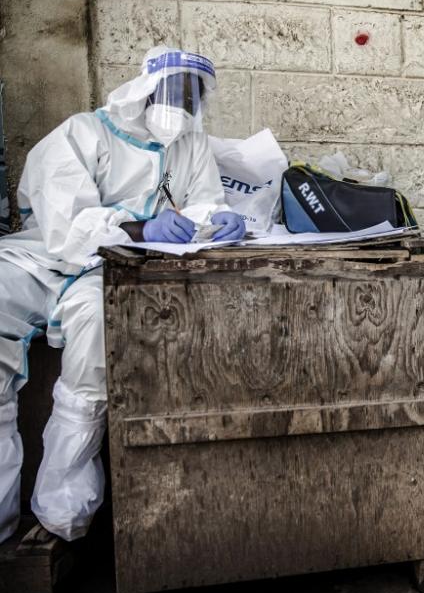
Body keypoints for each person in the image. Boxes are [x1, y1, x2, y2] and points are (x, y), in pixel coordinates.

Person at [0, 45, 245, 549]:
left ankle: (61, 510)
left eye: (194, 95)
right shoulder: (83, 133)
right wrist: (137, 225)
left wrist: (219, 219)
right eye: (175, 89)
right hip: (40, 261)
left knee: (96, 340)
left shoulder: (190, 144)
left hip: (104, 274)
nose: (184, 103)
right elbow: (64, 225)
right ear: (145, 89)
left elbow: (202, 203)